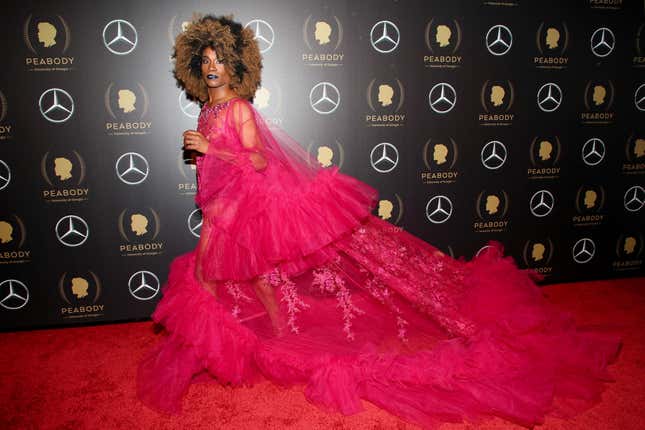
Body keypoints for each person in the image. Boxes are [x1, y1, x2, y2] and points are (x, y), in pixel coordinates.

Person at [137, 14, 622, 429]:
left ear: (235, 63)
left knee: (217, 278)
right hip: (221, 209)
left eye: (219, 59)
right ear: (195, 70)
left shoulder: (239, 108)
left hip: (244, 207)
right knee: (234, 277)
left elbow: (259, 161)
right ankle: (255, 339)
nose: (212, 67)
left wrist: (213, 148)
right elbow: (214, 169)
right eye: (203, 62)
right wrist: (207, 162)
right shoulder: (205, 110)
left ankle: (233, 345)